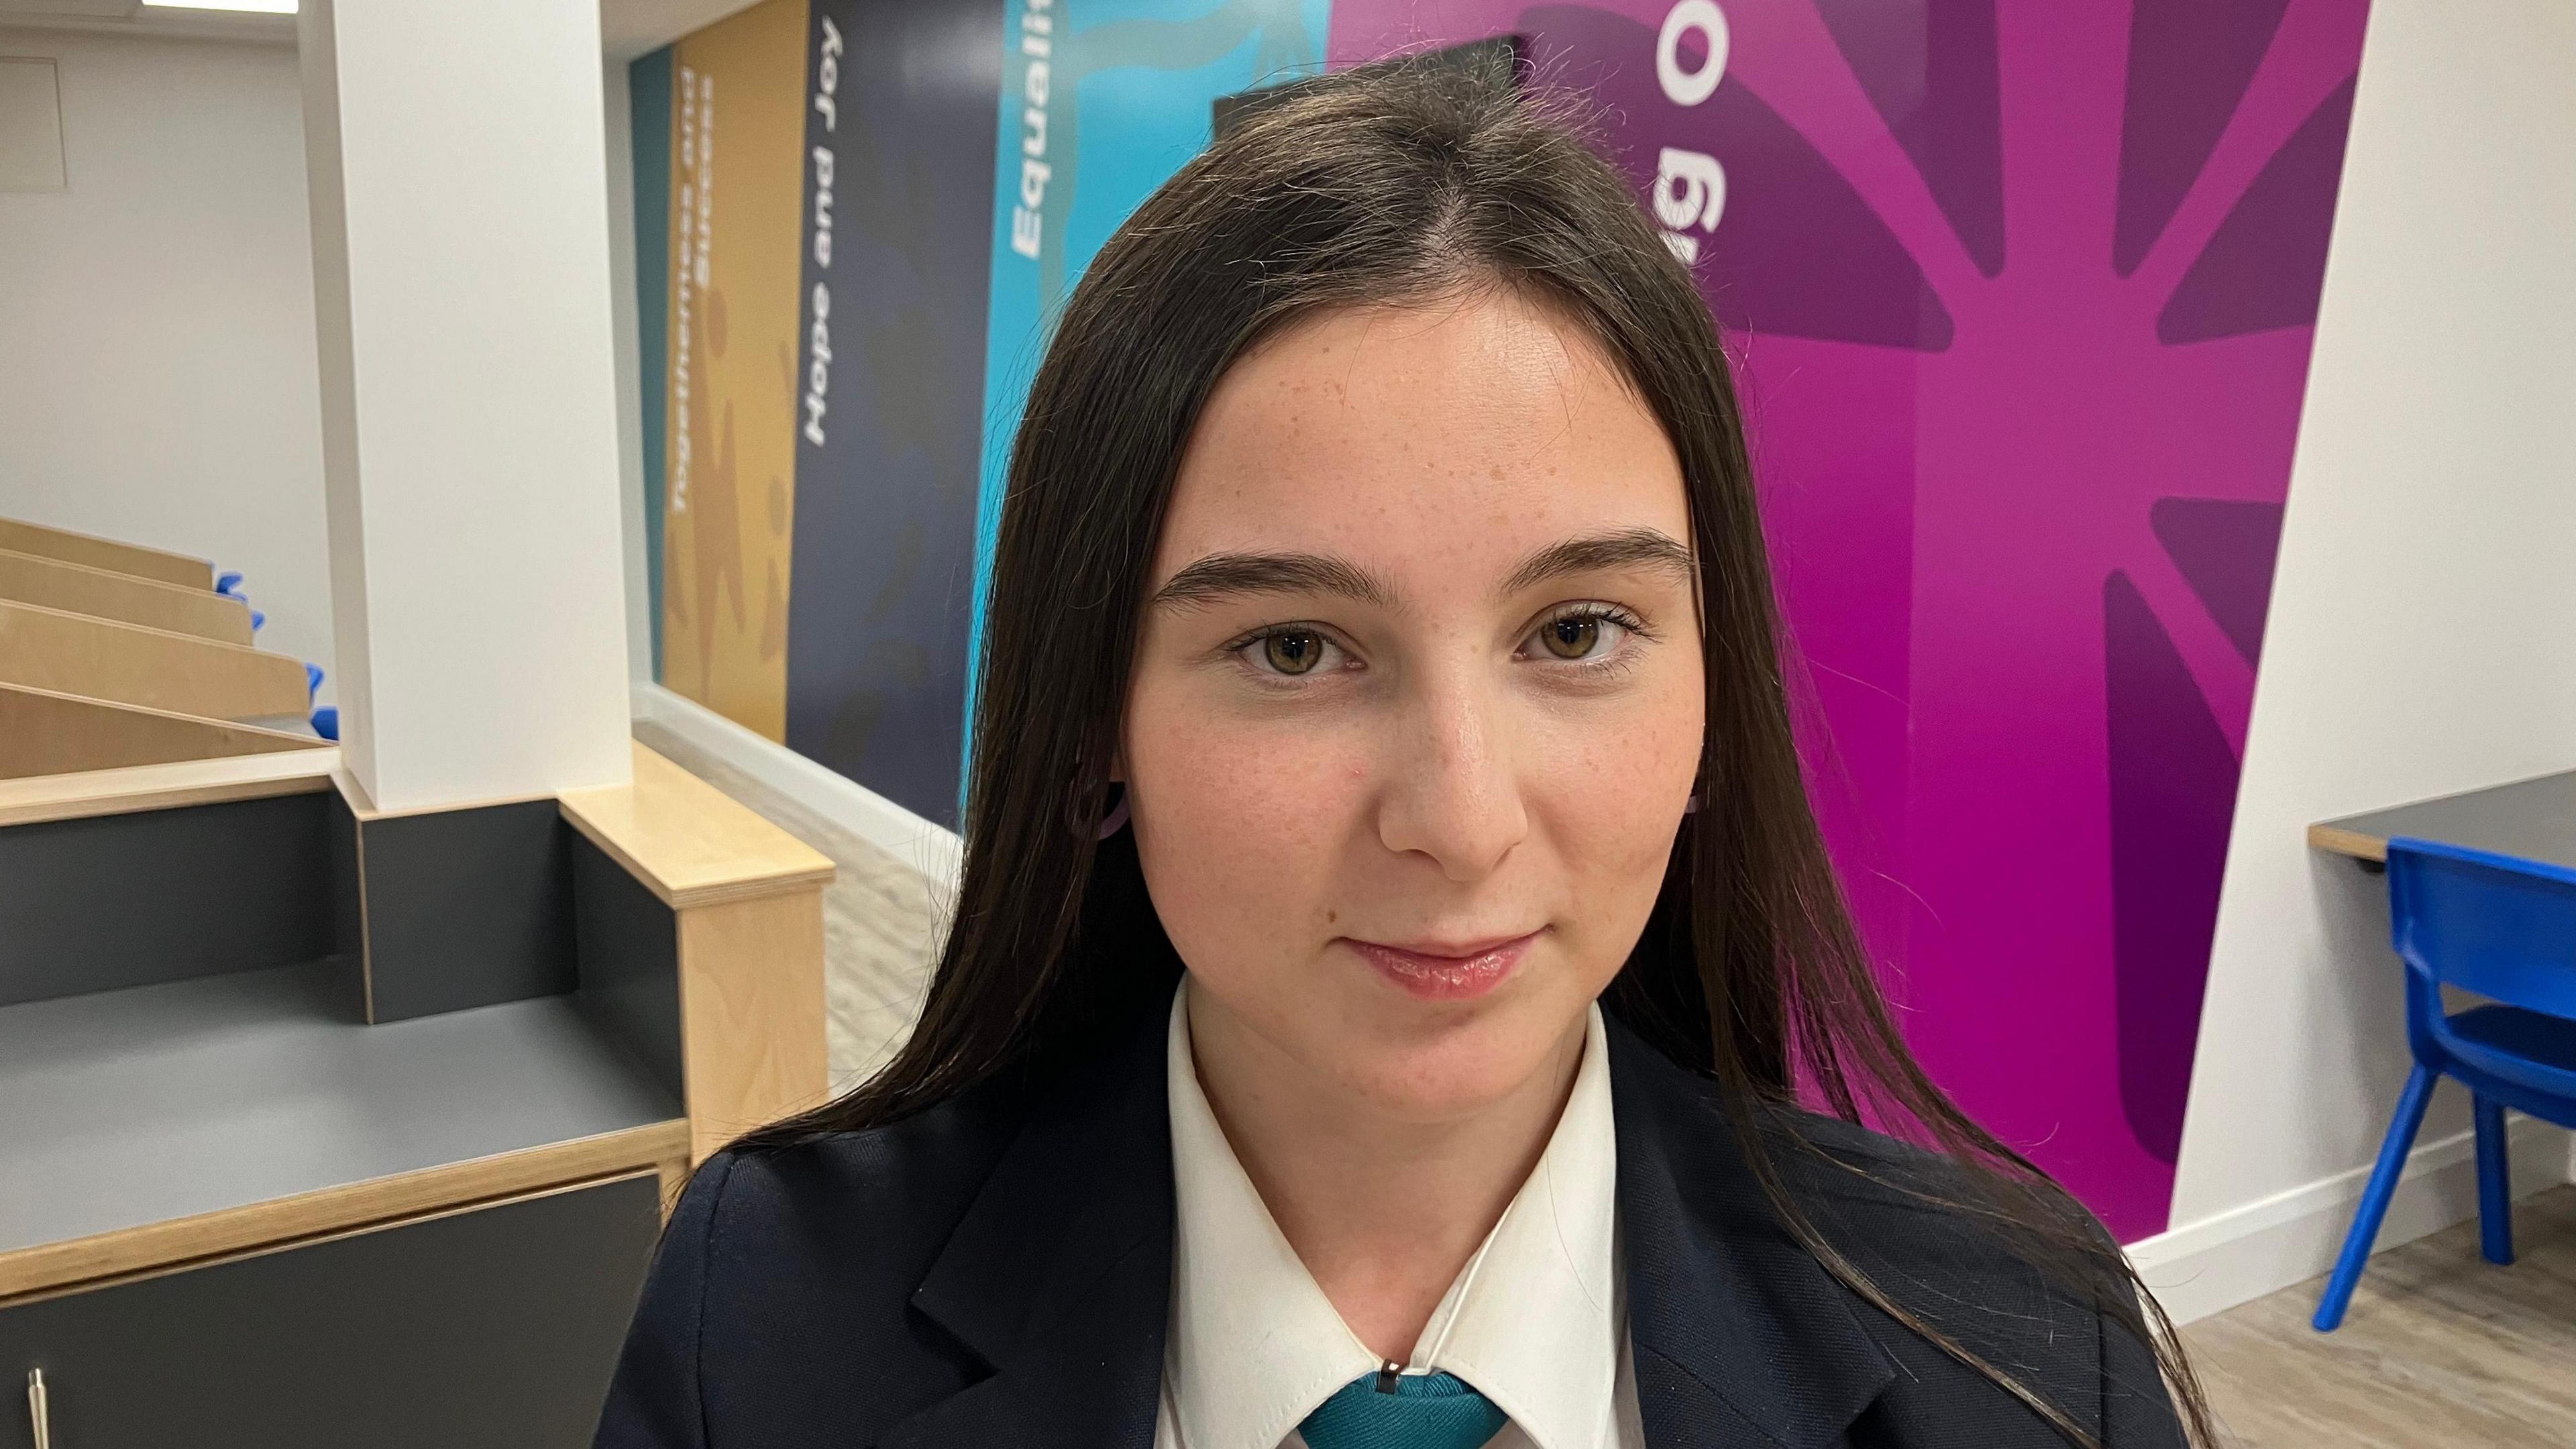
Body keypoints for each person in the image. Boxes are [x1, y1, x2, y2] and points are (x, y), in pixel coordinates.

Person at [594, 57, 2204, 1449]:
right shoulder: (771, 1320)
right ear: (1097, 724)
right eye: (1295, 648)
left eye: (1576, 632)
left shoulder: (2032, 1356)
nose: (1461, 819)